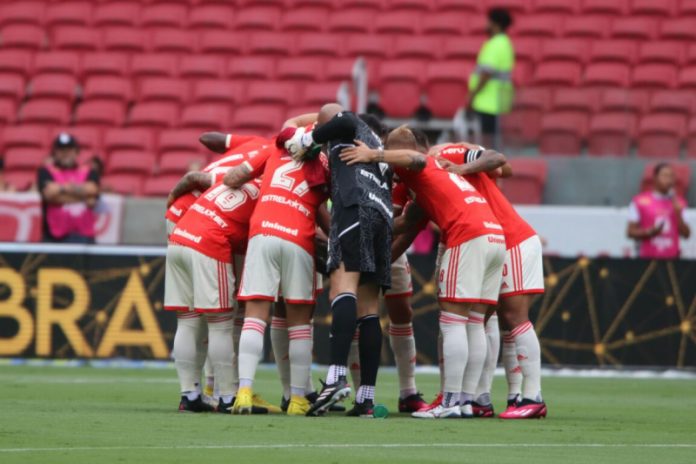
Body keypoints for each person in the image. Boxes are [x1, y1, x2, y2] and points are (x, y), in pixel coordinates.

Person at [340, 126, 505, 419]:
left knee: (453, 320)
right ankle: (467, 399)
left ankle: (450, 401)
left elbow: (413, 159)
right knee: (476, 321)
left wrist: (372, 153)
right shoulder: (430, 183)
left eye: (389, 152)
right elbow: (406, 226)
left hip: (468, 235)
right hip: (493, 235)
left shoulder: (423, 164)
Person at [286, 104, 393, 417]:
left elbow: (339, 115)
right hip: (381, 217)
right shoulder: (376, 146)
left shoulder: (347, 125)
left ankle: (334, 379)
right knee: (369, 307)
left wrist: (308, 140)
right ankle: (366, 398)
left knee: (342, 288)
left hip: (354, 205)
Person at [222, 122, 330, 416]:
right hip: (299, 237)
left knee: (254, 317)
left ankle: (243, 391)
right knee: (298, 324)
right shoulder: (325, 162)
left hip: (263, 232)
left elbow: (233, 177)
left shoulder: (274, 149)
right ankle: (297, 399)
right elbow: (324, 213)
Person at [434, 142, 547, 419]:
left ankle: (532, 397)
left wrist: (462, 166)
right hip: (495, 241)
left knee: (515, 317)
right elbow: (503, 169)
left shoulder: (443, 155)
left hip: (512, 238)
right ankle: (490, 397)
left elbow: (499, 159)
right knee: (485, 319)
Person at [164, 174, 262, 414]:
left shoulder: (228, 179)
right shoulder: (266, 193)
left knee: (186, 322)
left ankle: (189, 395)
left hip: (179, 238)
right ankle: (228, 398)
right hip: (208, 243)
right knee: (221, 323)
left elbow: (193, 178)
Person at [37, 133, 100, 244]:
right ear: (55, 153)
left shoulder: (89, 171)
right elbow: (49, 195)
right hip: (54, 236)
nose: (65, 154)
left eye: (69, 149)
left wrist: (61, 189)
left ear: (76, 152)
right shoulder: (46, 172)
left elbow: (93, 193)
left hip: (84, 236)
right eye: (61, 150)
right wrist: (82, 195)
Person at [467, 7, 515, 150]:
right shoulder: (505, 42)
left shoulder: (495, 44)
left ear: (496, 24)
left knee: (488, 145)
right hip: (497, 100)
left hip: (489, 102)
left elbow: (486, 73)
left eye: (489, 21)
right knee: (492, 143)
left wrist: (472, 95)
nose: (486, 24)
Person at [627, 163, 690, 259]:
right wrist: (649, 232)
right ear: (655, 178)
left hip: (672, 259)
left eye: (671, 176)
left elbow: (686, 234)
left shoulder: (680, 203)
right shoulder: (639, 201)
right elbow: (630, 232)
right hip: (646, 258)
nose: (668, 180)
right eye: (664, 175)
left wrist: (678, 214)